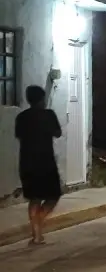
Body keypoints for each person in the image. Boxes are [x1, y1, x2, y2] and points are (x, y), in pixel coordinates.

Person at [15, 85, 63, 245]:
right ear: (42, 99)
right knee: (53, 195)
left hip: (27, 162)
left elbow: (19, 136)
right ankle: (40, 220)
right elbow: (58, 133)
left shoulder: (21, 117)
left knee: (34, 198)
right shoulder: (49, 115)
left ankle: (36, 235)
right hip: (45, 162)